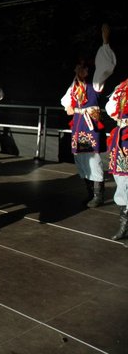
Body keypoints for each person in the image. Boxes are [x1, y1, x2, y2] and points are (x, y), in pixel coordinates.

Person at [61, 24, 116, 208]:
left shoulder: (95, 83)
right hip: (78, 126)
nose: (79, 70)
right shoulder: (75, 85)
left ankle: (99, 196)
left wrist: (105, 42)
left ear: (87, 70)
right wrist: (69, 106)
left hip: (89, 125)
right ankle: (90, 193)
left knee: (94, 159)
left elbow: (106, 66)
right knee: (82, 159)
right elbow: (65, 101)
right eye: (78, 68)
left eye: (82, 68)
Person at [105, 77, 128, 241]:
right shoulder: (122, 87)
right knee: (120, 180)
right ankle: (124, 224)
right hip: (121, 137)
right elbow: (111, 108)